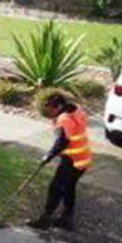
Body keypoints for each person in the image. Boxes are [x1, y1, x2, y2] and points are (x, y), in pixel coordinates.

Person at [28, 92, 92, 231]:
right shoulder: (76, 111)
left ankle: (45, 220)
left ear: (58, 106)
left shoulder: (64, 119)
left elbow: (62, 141)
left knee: (55, 188)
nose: (50, 113)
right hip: (83, 158)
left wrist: (48, 156)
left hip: (72, 159)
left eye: (51, 109)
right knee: (69, 188)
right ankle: (67, 219)